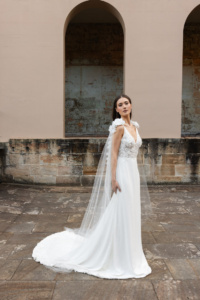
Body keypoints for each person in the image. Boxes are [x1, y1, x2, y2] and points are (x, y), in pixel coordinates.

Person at [32, 94, 152, 279]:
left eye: (126, 103)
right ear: (117, 110)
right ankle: (116, 252)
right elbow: (112, 154)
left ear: (131, 105)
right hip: (122, 172)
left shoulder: (134, 126)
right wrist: (113, 178)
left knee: (130, 210)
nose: (124, 106)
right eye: (120, 105)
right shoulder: (119, 128)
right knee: (121, 208)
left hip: (133, 172)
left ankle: (129, 249)